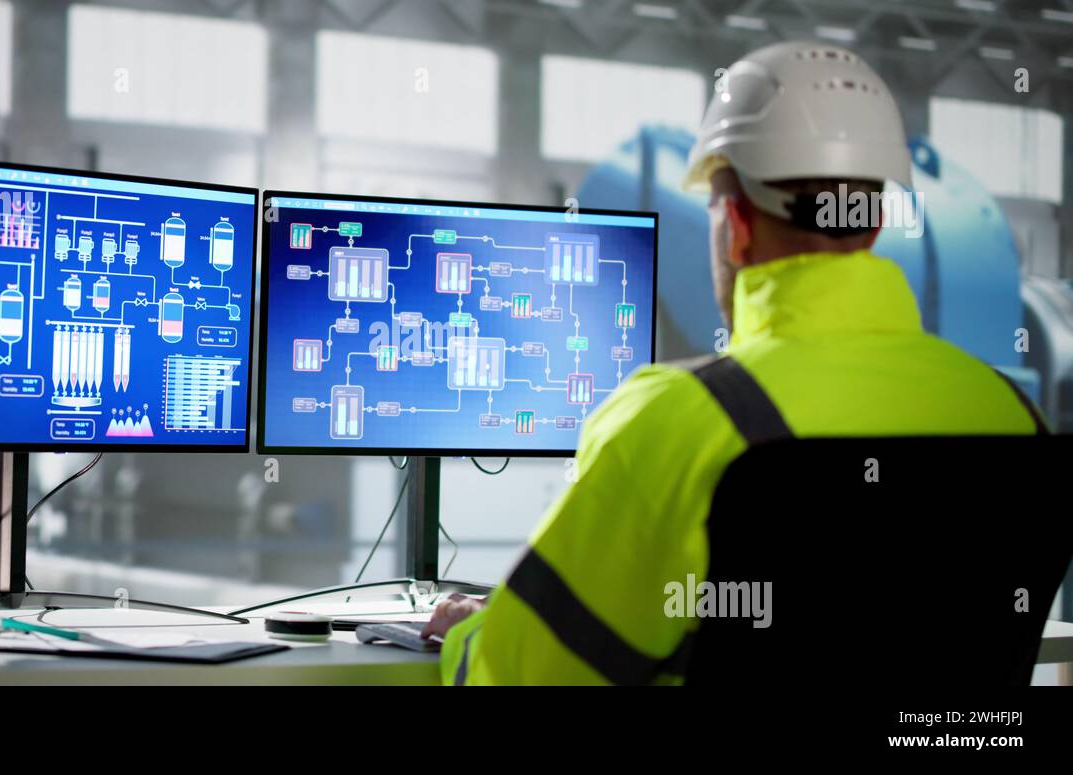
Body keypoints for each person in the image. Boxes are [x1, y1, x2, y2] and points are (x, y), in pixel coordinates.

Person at [422, 40, 1048, 685]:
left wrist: (469, 630)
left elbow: (525, 677)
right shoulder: (1013, 413)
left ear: (736, 224)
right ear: (875, 224)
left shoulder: (680, 419)